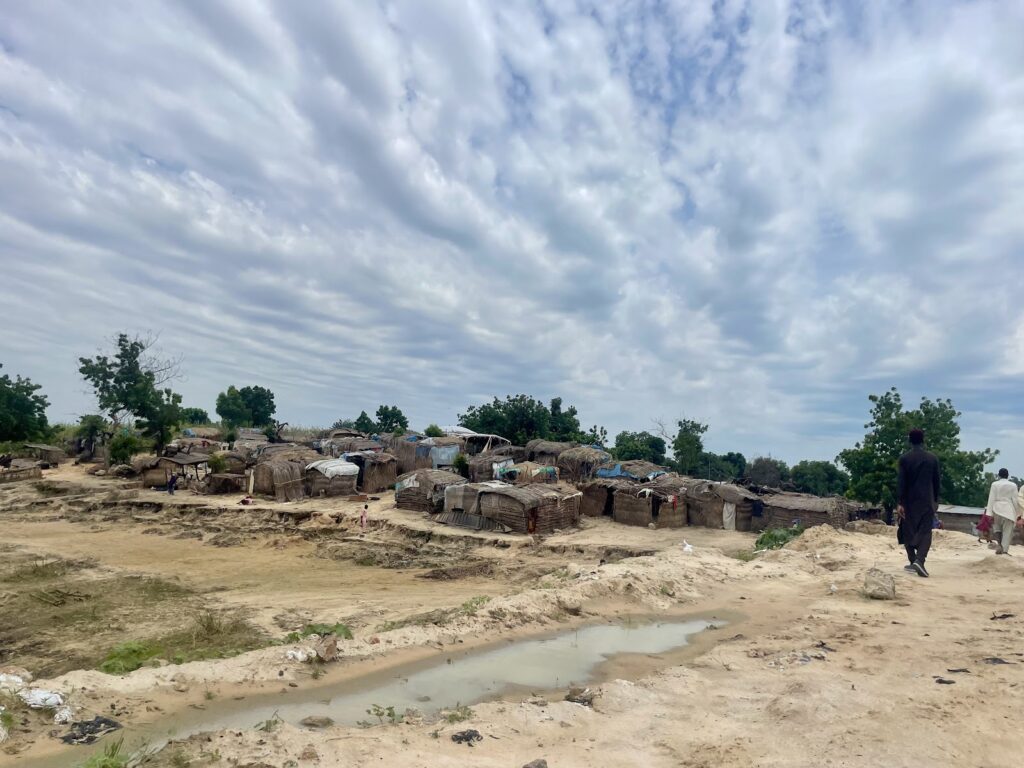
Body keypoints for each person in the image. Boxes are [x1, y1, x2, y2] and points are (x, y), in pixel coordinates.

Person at [897, 428, 940, 577]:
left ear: (909, 441)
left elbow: (901, 482)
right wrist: (936, 501)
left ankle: (914, 560)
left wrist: (900, 502)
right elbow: (936, 482)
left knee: (907, 530)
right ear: (923, 440)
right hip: (927, 501)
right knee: (925, 531)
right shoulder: (932, 458)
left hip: (909, 501)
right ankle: (919, 561)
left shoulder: (904, 459)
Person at [983, 469, 1021, 555]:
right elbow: (1015, 500)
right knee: (1007, 531)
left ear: (999, 475)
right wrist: (1018, 513)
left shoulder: (994, 484)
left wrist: (989, 513)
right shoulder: (1013, 485)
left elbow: (991, 498)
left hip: (996, 508)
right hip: (1008, 510)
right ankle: (1004, 551)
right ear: (1007, 475)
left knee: (997, 529)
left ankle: (999, 545)